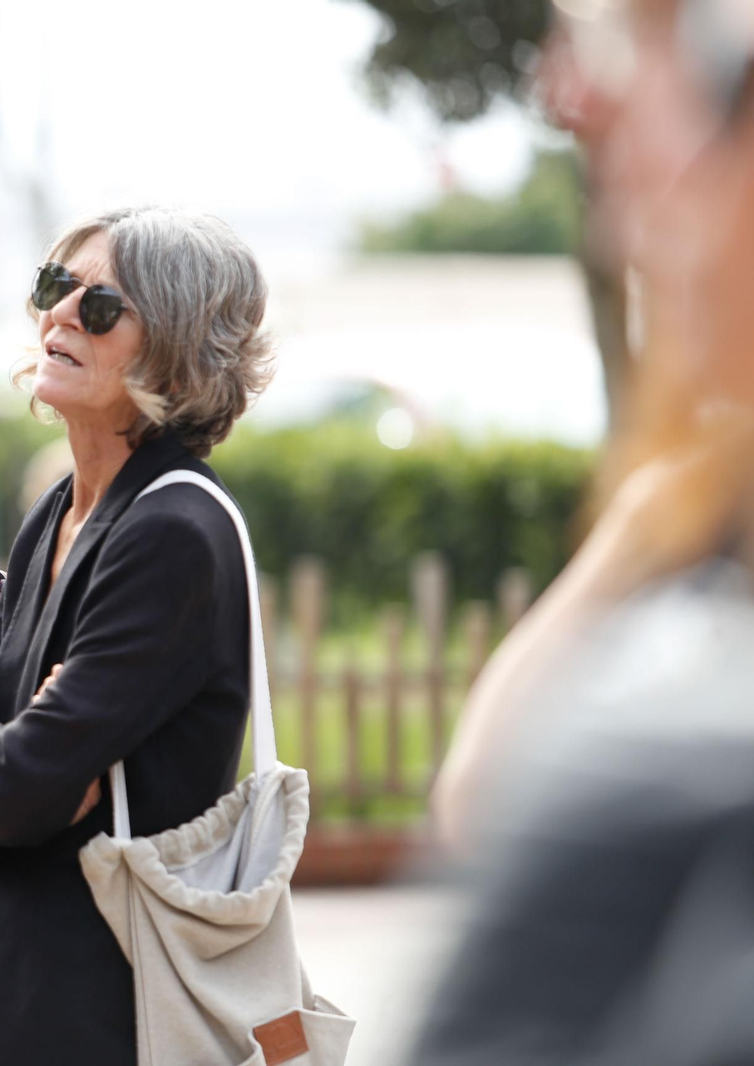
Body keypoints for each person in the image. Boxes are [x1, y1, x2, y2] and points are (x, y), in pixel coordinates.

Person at [409, 2, 754, 1062]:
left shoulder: (674, 781)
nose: (575, 95)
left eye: (642, 39)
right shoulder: (696, 557)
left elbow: (479, 802)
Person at [0, 206, 274, 1065]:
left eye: (101, 305)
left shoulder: (173, 530)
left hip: (110, 1008)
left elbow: (21, 781)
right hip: (8, 990)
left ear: (177, 345)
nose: (60, 315)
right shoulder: (56, 512)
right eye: (53, 287)